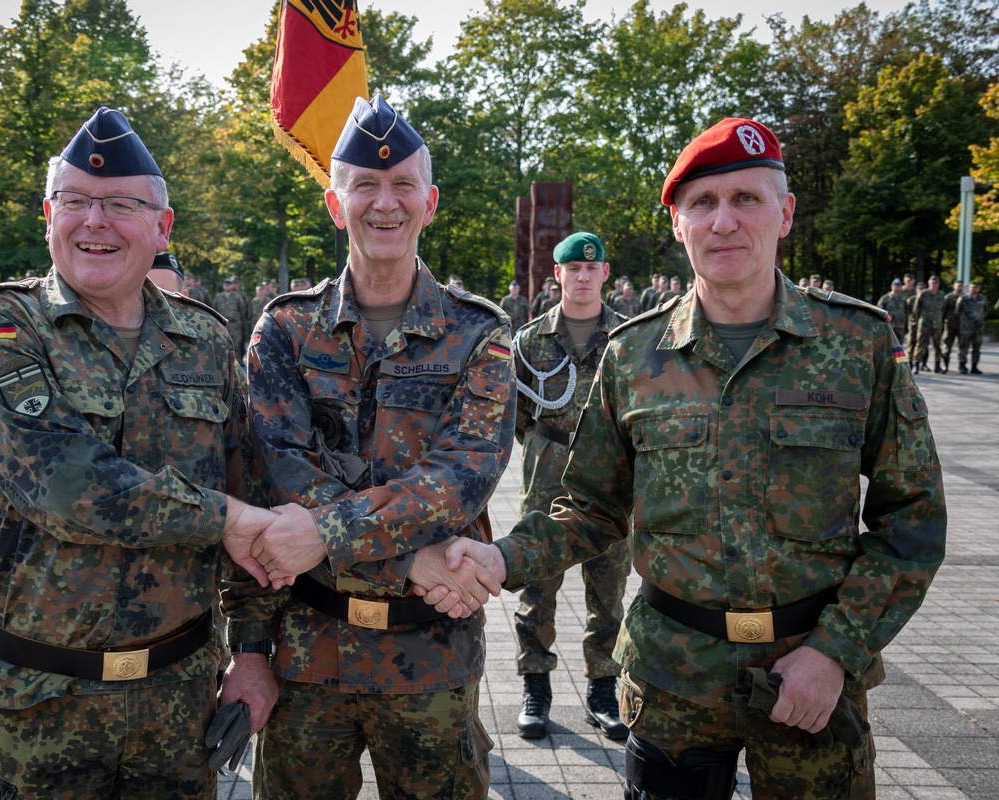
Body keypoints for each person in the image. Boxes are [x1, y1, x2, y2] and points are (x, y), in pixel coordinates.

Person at [431, 117, 947, 799]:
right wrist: (501, 560)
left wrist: (836, 651)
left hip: (812, 679)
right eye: (703, 203)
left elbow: (911, 521)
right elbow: (589, 508)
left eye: (747, 199)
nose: (724, 221)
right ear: (678, 223)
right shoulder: (633, 355)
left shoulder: (861, 344)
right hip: (670, 680)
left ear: (785, 213)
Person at [0, 106, 282, 798]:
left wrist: (252, 654)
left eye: (120, 205)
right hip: (42, 704)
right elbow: (68, 488)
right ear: (48, 214)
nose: (94, 221)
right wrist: (224, 518)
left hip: (180, 701)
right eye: (75, 201)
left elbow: (252, 504)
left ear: (162, 228)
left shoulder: (207, 342)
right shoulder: (2, 328)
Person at [244, 94, 515, 800]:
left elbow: (458, 481)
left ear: (429, 202)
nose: (383, 202)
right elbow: (281, 470)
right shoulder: (284, 331)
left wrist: (328, 532)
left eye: (401, 186)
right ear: (337, 205)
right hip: (308, 655)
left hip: (431, 658)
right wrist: (412, 558)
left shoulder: (478, 335)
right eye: (364, 184)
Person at [511, 231, 630, 741]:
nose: (582, 277)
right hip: (547, 478)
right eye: (572, 269)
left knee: (609, 589)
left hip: (611, 482)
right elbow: (517, 417)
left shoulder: (631, 338)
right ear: (557, 275)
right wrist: (550, 448)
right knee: (538, 587)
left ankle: (603, 689)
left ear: (605, 273)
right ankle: (535, 686)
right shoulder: (530, 339)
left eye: (592, 268)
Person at [910, 276, 945, 374]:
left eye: (936, 283)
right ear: (929, 284)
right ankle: (916, 366)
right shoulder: (923, 294)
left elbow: (944, 309)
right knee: (920, 345)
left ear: (938, 284)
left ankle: (937, 366)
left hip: (937, 324)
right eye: (932, 283)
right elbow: (916, 310)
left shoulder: (941, 295)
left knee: (937, 346)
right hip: (925, 324)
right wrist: (921, 319)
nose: (934, 285)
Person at [213, 276, 250, 357]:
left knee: (235, 344)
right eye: (225, 284)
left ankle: (237, 365)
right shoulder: (218, 297)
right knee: (222, 344)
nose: (227, 286)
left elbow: (242, 311)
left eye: (228, 284)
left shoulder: (237, 296)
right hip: (222, 324)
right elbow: (214, 310)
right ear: (223, 286)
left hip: (235, 324)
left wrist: (242, 325)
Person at [955, 281, 987, 374]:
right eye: (972, 287)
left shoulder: (982, 298)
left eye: (976, 287)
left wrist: (979, 319)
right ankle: (962, 365)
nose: (974, 289)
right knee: (963, 347)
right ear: (969, 288)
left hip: (978, 327)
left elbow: (985, 311)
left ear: (979, 289)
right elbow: (957, 312)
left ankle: (974, 366)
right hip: (966, 328)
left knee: (977, 348)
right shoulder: (963, 299)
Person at [941, 279, 964, 371]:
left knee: (962, 345)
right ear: (954, 286)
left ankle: (962, 365)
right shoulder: (948, 297)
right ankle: (945, 364)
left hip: (962, 325)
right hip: (950, 325)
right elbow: (943, 311)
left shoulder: (965, 297)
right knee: (947, 345)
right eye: (958, 285)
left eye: (961, 286)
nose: (959, 287)